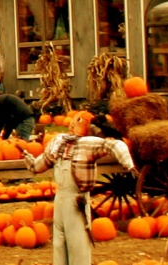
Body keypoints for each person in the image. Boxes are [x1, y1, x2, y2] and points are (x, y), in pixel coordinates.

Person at [26, 106, 136, 265]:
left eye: (79, 121)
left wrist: (128, 164)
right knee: (59, 241)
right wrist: (30, 162)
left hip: (76, 199)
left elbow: (114, 145)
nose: (73, 124)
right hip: (60, 198)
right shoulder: (59, 141)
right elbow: (43, 162)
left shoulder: (89, 144)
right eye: (74, 120)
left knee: (77, 242)